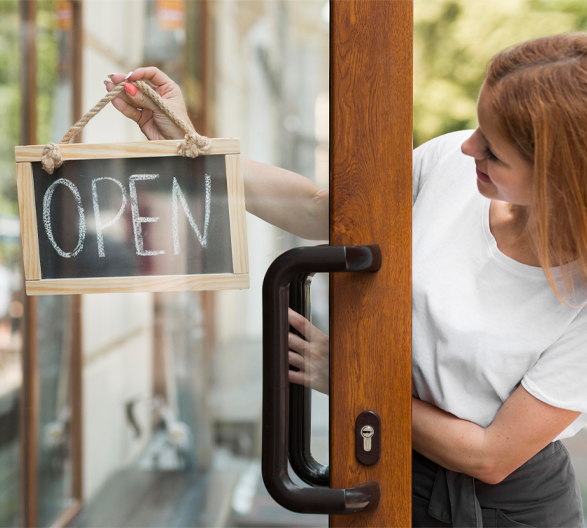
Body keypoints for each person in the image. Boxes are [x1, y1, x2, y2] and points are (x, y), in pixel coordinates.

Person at [106, 32, 587, 527]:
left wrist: (353, 380)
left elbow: (490, 456)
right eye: (477, 125)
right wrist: (191, 146)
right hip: (389, 460)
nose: (468, 146)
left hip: (505, 509)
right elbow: (322, 210)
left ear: (558, 177)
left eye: (493, 149)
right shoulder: (451, 167)